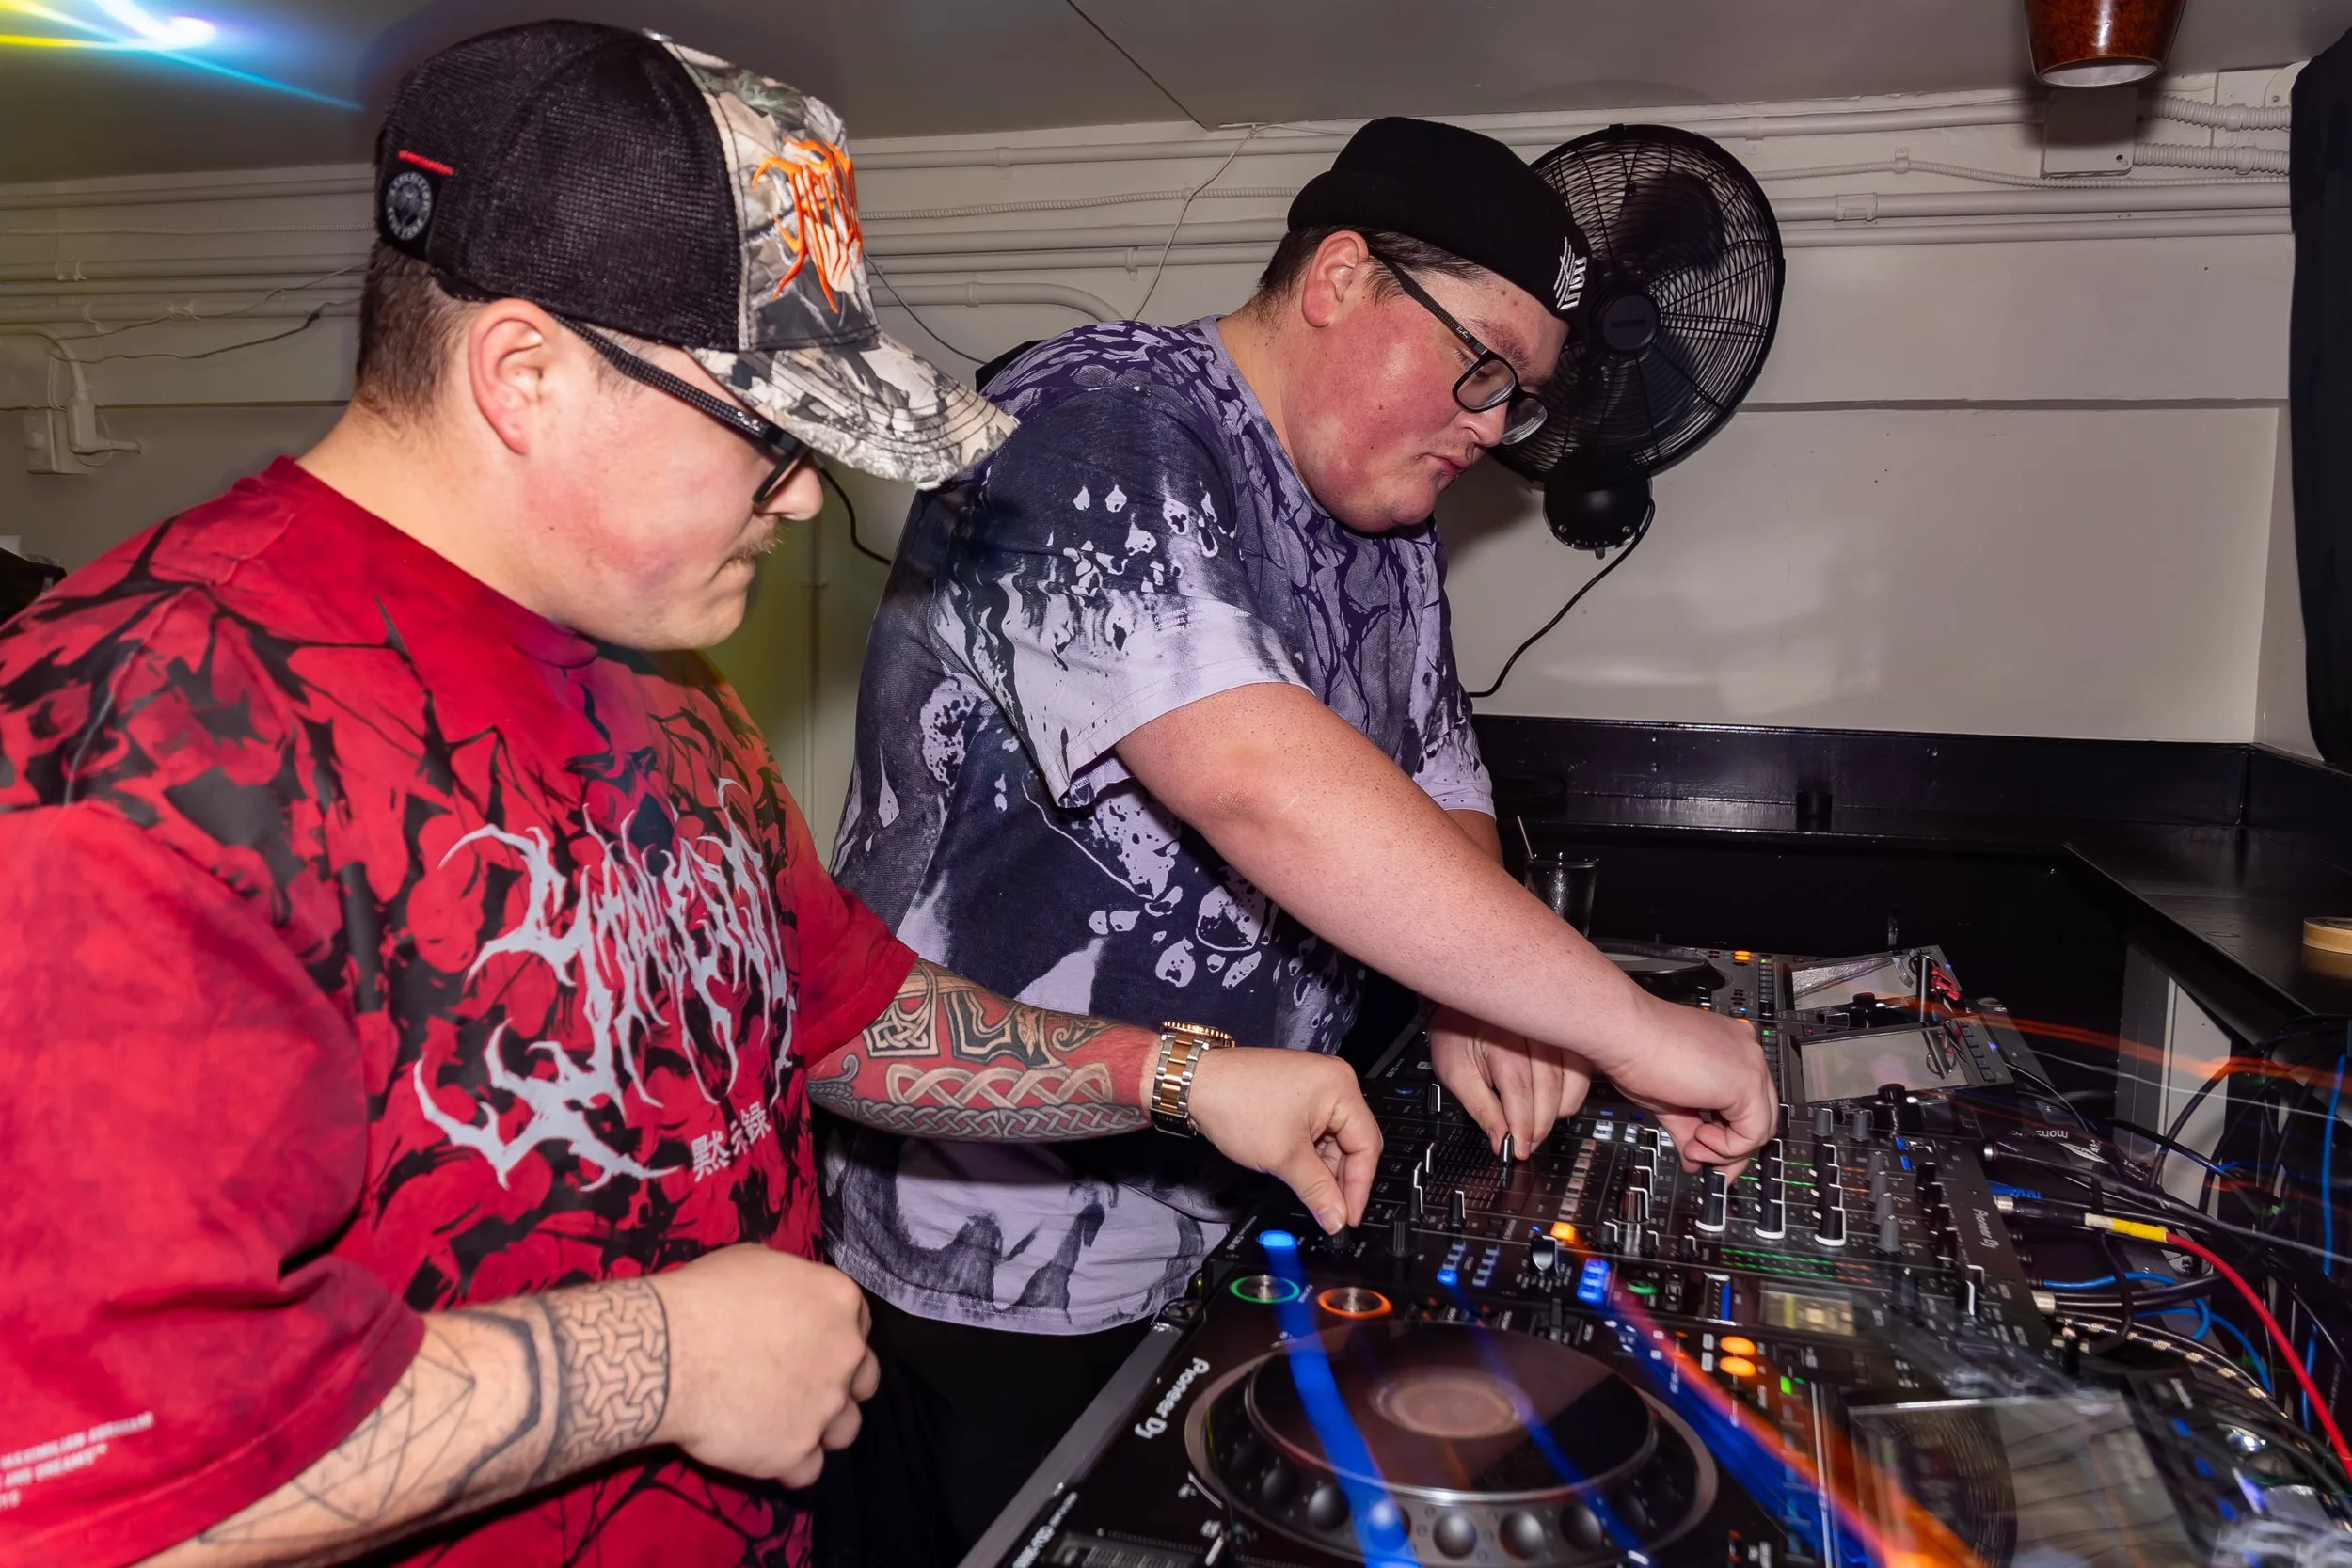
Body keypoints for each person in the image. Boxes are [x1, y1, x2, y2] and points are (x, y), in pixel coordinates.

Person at [0, 24, 1381, 1568]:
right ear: (523, 373)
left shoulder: (658, 673)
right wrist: (666, 1360)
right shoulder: (144, 730)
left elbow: (848, 1017)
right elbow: (93, 1487)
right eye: (772, 433)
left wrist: (1180, 1078)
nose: (804, 496)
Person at [825, 115, 1782, 1561]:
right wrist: (1636, 1028)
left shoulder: (1389, 527)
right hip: (996, 1250)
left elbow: (1436, 779)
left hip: (1236, 1204)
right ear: (1341, 275)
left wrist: (1481, 980)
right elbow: (1249, 772)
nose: (1490, 425)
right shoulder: (1095, 417)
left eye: (1515, 399)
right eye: (1480, 368)